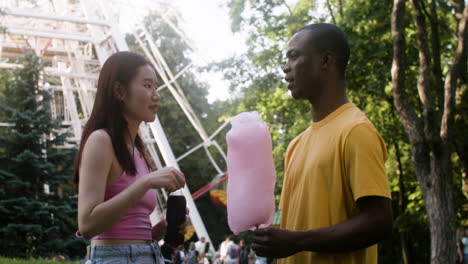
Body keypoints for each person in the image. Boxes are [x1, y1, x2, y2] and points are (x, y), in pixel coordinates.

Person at [251, 23, 393, 264]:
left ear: (326, 61)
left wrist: (297, 241)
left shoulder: (356, 131)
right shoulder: (295, 145)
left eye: (294, 56)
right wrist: (268, 233)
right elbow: (287, 217)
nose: (285, 67)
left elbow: (379, 222)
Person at [73, 51, 187, 263]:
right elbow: (87, 225)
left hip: (149, 255)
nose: (156, 95)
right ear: (119, 91)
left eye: (156, 86)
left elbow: (126, 227)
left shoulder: (137, 150)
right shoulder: (101, 140)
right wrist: (146, 182)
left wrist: (160, 230)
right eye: (147, 85)